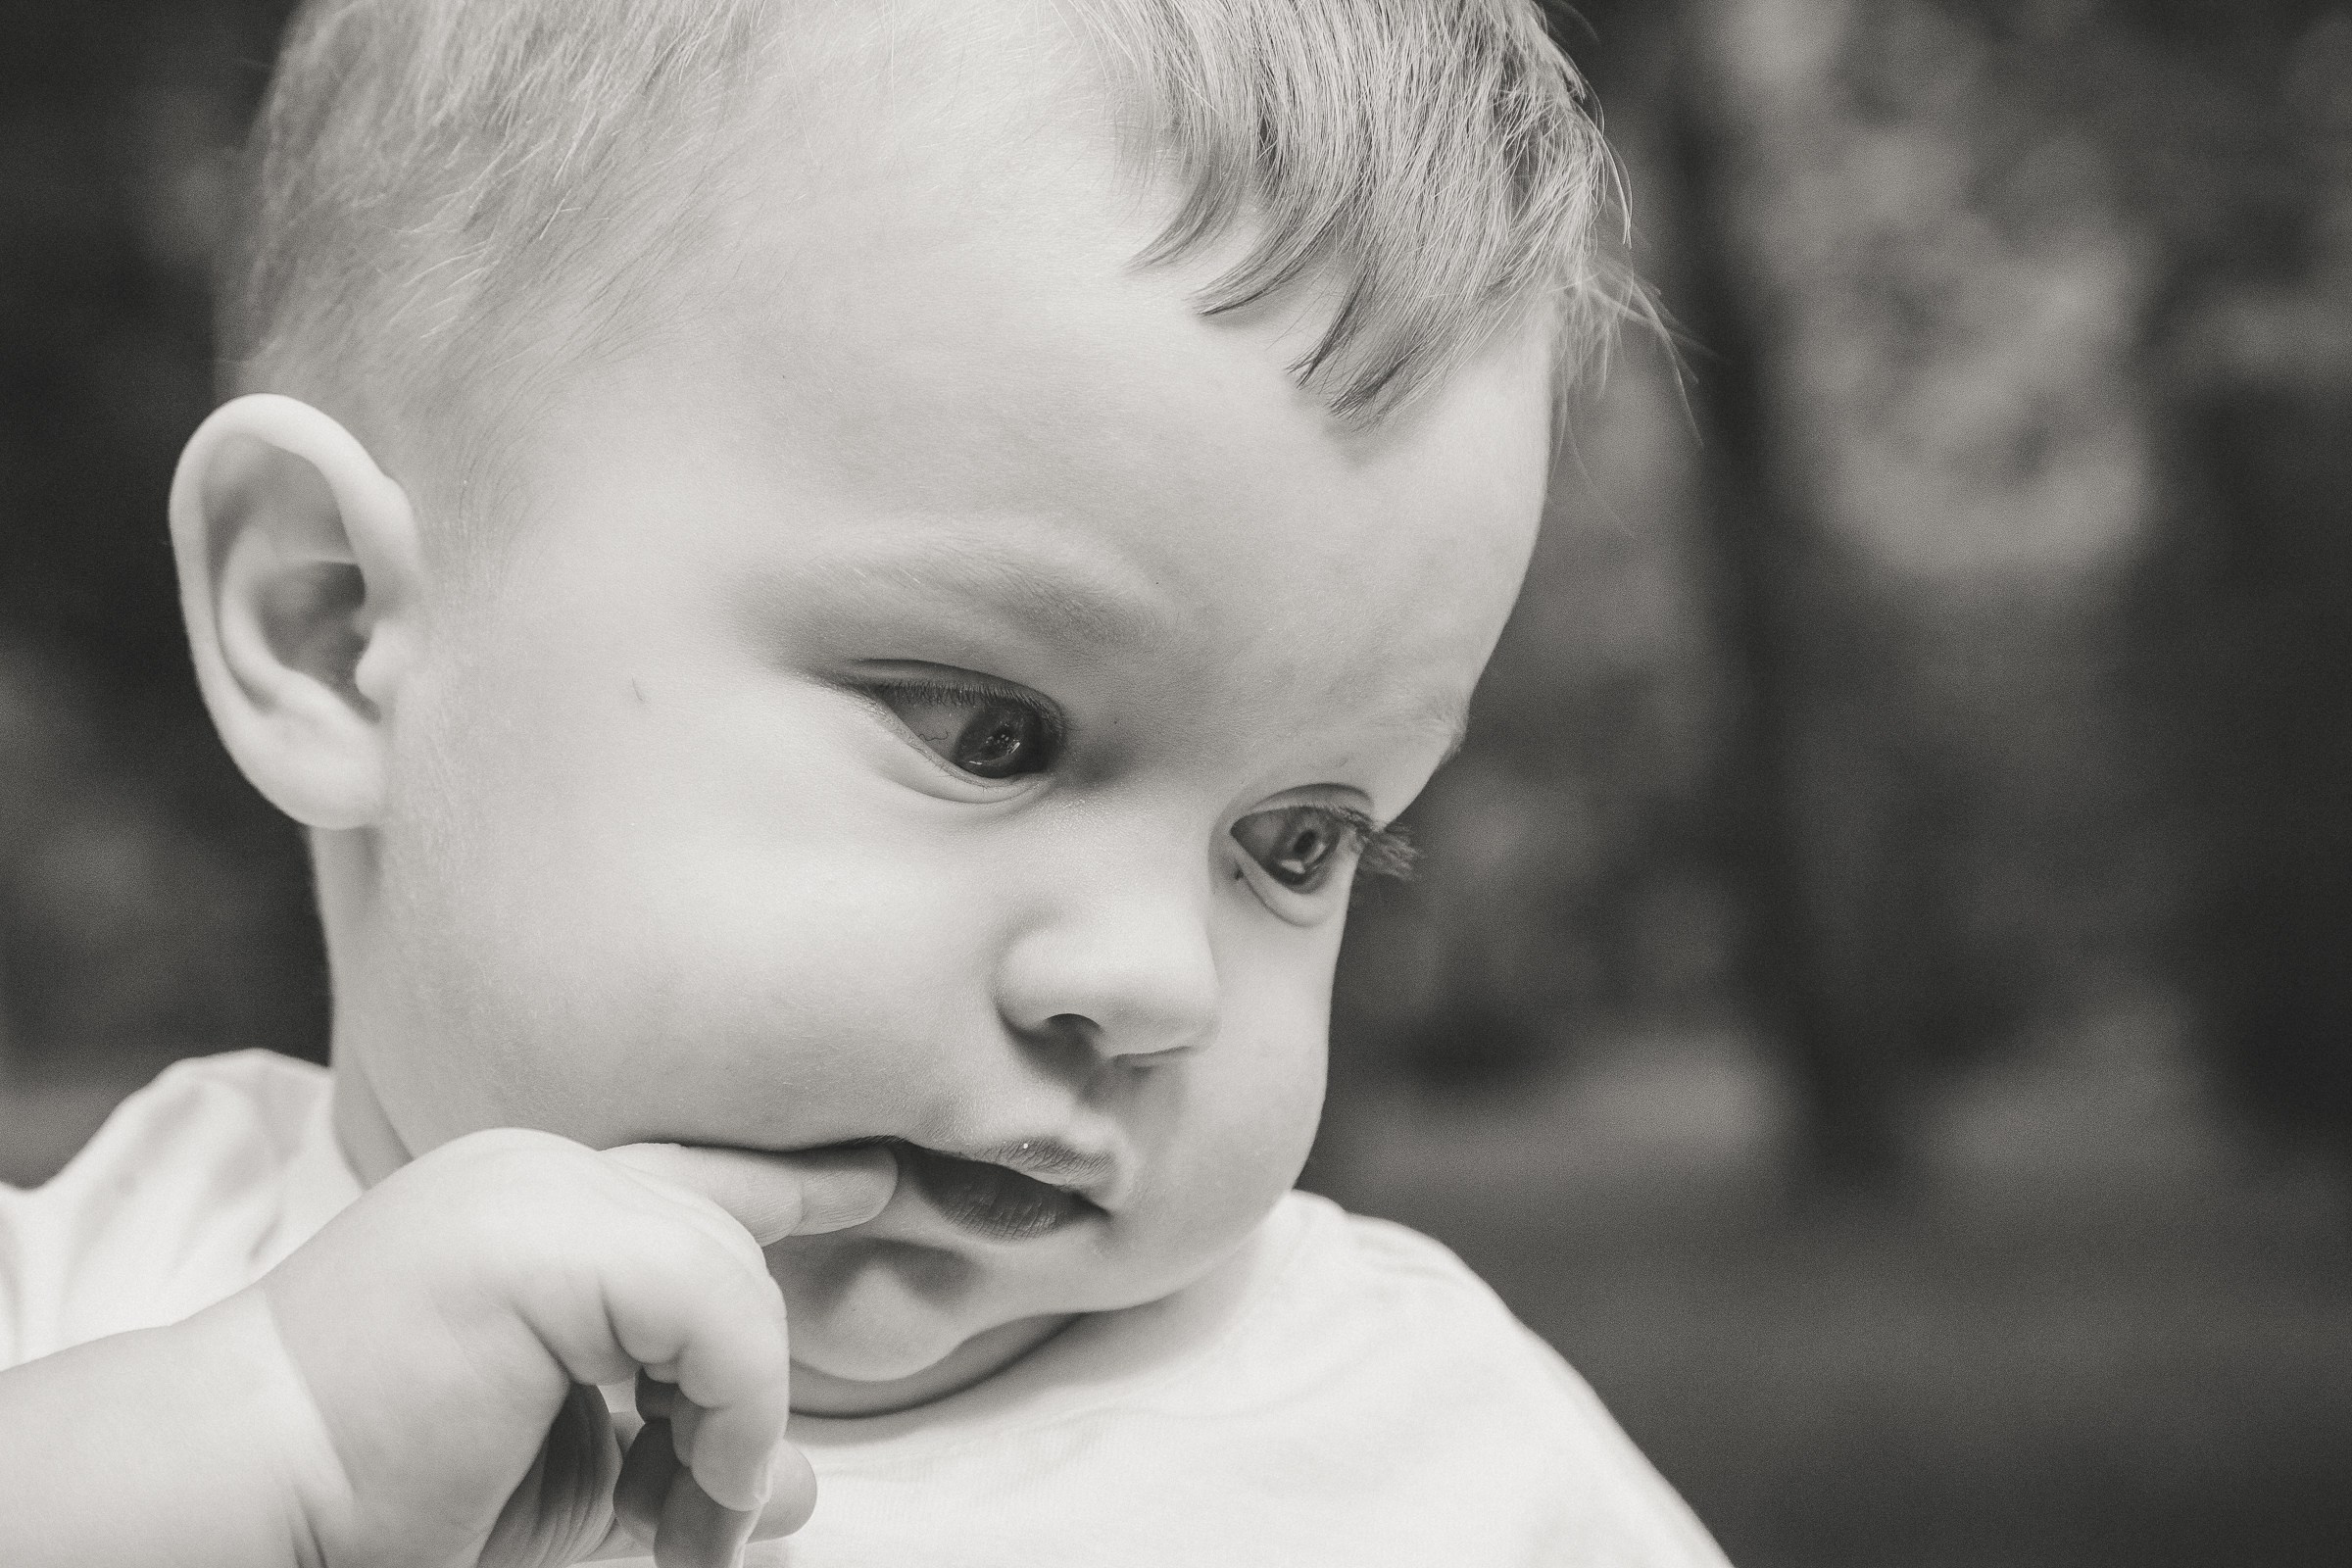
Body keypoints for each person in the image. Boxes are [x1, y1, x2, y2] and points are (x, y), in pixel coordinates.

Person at [0, 1, 1731, 1563]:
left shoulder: (1431, 1469)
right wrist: (270, 1453)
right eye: (988, 733)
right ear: (333, 626)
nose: (1155, 985)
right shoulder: (76, 1341)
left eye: (1294, 842)